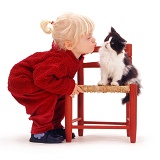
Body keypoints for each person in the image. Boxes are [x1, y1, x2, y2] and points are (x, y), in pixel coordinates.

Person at [7, 12, 96, 143]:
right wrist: (68, 85)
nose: (93, 40)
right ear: (69, 44)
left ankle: (53, 126)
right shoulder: (59, 60)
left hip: (40, 81)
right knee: (47, 97)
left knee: (60, 97)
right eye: (88, 38)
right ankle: (40, 131)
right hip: (24, 81)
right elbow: (41, 79)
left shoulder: (71, 55)